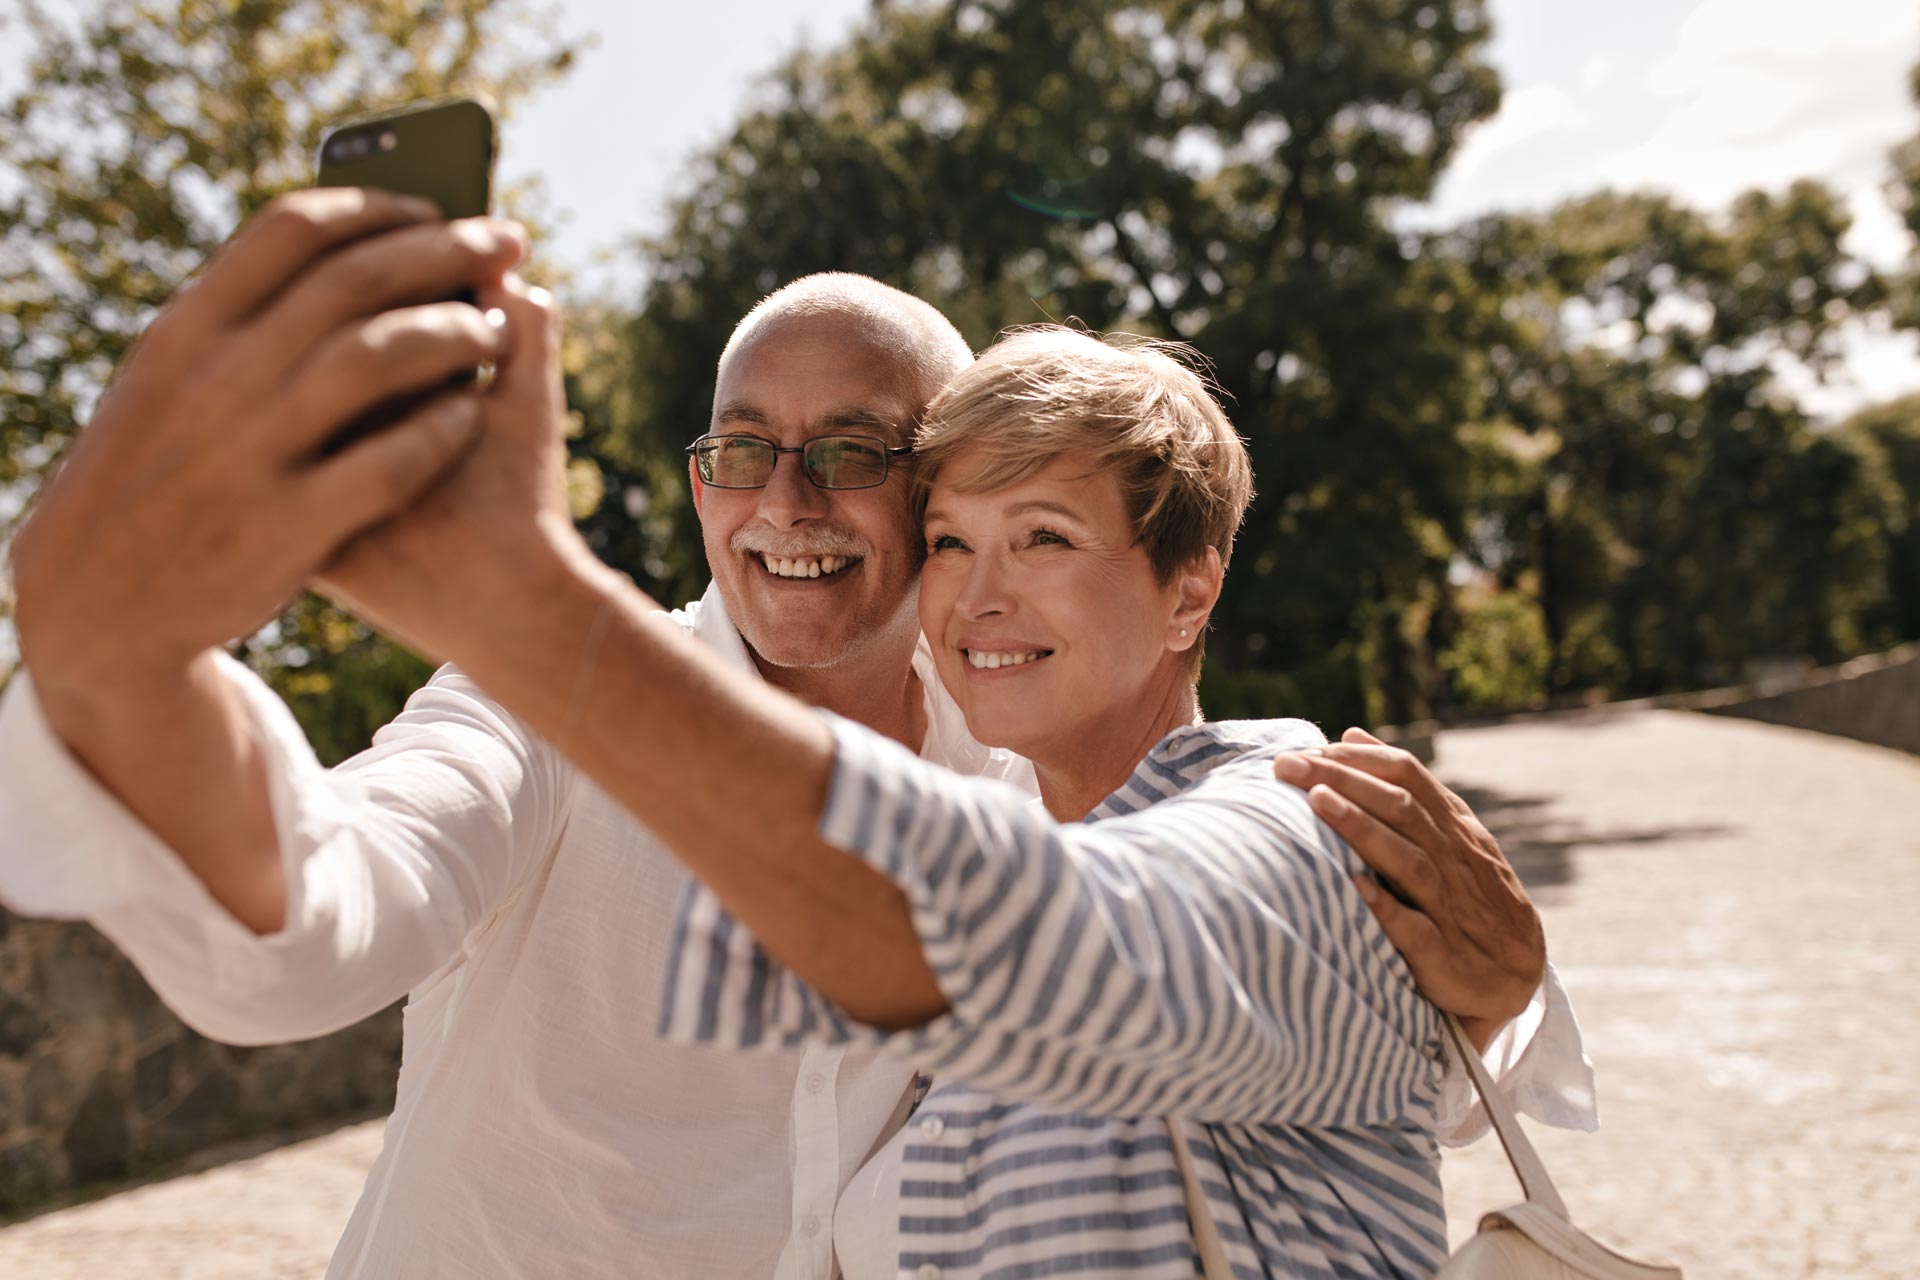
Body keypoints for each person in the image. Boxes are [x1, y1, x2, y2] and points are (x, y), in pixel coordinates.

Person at [0, 194, 1587, 1277]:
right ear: (695, 485)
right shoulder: (529, 714)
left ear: (929, 486)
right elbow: (308, 926)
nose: (784, 501)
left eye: (850, 453)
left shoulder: (1057, 786)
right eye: (741, 449)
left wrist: (1499, 994)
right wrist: (123, 671)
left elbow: (1298, 1061)